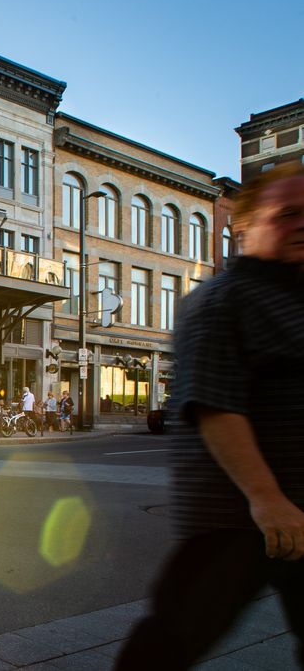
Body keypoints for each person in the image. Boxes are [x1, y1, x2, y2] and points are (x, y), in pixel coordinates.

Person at [117, 161, 304, 669]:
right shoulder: (224, 298)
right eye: (287, 214)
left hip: (293, 509)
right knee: (170, 643)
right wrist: (266, 499)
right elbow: (215, 405)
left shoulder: (293, 298)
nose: (300, 225)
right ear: (245, 227)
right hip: (235, 518)